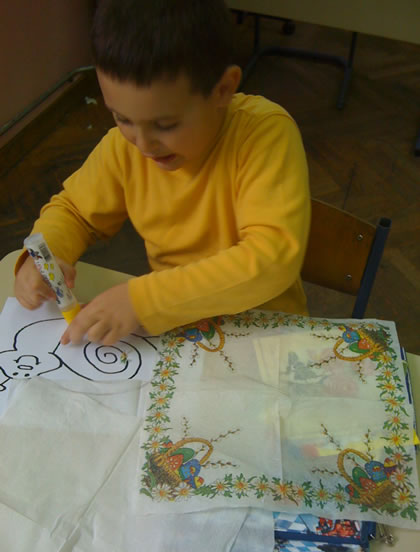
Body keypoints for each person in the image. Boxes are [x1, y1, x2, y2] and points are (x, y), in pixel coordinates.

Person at [14, 0, 311, 346]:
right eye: (122, 118)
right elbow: (74, 211)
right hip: (180, 336)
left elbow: (272, 259)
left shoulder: (264, 135)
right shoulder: (123, 148)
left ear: (223, 90)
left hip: (267, 336)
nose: (144, 145)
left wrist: (143, 300)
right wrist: (44, 257)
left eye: (165, 124)